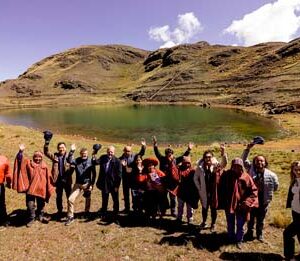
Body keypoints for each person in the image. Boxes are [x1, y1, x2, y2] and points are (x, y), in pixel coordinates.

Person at [242, 142, 279, 242]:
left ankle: (259, 234)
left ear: (265, 163)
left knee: (261, 219)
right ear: (254, 162)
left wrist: (268, 194)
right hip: (252, 198)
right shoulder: (250, 170)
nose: (259, 163)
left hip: (264, 199)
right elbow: (243, 160)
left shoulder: (272, 175)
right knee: (251, 218)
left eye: (262, 161)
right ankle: (249, 232)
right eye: (257, 161)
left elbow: (275, 187)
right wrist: (247, 149)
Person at [218, 158, 258, 249]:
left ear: (242, 167)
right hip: (229, 204)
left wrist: (247, 202)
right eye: (234, 166)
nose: (236, 168)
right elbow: (219, 183)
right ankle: (231, 237)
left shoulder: (246, 177)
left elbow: (254, 191)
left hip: (241, 206)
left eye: (238, 166)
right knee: (230, 222)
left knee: (240, 224)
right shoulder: (227, 175)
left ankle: (239, 240)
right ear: (232, 166)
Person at [13, 144, 54, 227]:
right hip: (31, 189)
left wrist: (48, 187)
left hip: (41, 189)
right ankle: (32, 217)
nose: (37, 159)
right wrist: (20, 152)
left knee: (41, 204)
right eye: (36, 157)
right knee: (30, 204)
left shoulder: (44, 166)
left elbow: (48, 177)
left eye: (39, 157)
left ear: (42, 158)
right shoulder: (29, 163)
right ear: (33, 157)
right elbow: (20, 161)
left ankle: (40, 216)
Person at [153, 136, 193, 217]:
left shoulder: (175, 160)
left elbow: (183, 156)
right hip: (163, 180)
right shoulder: (162, 159)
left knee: (173, 198)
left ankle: (173, 211)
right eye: (167, 154)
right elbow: (157, 153)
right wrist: (155, 144)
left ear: (172, 154)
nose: (169, 156)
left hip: (172, 182)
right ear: (165, 154)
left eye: (170, 154)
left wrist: (189, 149)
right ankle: (162, 210)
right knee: (163, 196)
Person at [194, 145, 227, 232]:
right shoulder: (200, 167)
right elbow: (195, 178)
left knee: (213, 209)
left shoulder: (216, 165)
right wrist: (199, 188)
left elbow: (224, 164)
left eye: (209, 157)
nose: (207, 159)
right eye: (206, 157)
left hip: (213, 192)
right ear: (203, 158)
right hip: (204, 191)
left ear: (212, 157)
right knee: (204, 208)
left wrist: (223, 152)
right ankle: (204, 222)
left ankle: (213, 224)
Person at [43, 130, 74, 220]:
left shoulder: (69, 156)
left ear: (65, 148)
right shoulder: (55, 156)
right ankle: (59, 211)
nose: (61, 149)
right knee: (59, 197)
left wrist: (72, 151)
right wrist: (47, 142)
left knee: (69, 196)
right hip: (58, 180)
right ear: (58, 148)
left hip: (67, 180)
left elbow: (72, 166)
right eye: (59, 147)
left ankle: (69, 212)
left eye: (63, 147)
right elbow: (46, 152)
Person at [65, 145, 96, 226]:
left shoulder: (91, 161)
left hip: (87, 183)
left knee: (88, 198)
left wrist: (92, 184)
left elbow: (94, 174)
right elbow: (68, 160)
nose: (84, 155)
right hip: (78, 184)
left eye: (85, 153)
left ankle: (86, 212)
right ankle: (70, 216)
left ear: (87, 153)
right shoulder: (76, 160)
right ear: (80, 154)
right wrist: (71, 151)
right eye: (82, 153)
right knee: (70, 199)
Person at [94, 146, 122, 221]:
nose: (110, 153)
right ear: (107, 152)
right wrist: (94, 154)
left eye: (112, 152)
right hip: (104, 183)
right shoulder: (103, 157)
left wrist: (117, 186)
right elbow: (96, 162)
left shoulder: (117, 161)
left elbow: (119, 175)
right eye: (109, 151)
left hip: (113, 184)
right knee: (104, 198)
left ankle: (115, 213)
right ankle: (104, 212)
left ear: (114, 152)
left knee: (115, 199)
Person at [168, 156, 199, 224]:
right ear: (182, 163)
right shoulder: (179, 169)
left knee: (189, 207)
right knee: (180, 206)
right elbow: (174, 173)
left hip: (189, 192)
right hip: (181, 191)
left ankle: (190, 218)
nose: (186, 164)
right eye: (185, 163)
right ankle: (179, 218)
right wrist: (172, 163)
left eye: (188, 163)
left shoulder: (192, 171)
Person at [119, 139, 146, 214]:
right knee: (126, 195)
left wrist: (143, 146)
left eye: (129, 151)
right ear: (123, 151)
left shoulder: (134, 156)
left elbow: (141, 153)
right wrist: (123, 166)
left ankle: (135, 208)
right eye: (126, 151)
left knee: (134, 195)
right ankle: (127, 208)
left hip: (133, 179)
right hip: (125, 179)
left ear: (131, 151)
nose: (128, 152)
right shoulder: (120, 159)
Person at [283, 161, 300, 260]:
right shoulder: (294, 181)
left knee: (287, 233)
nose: (298, 171)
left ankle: (289, 257)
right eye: (295, 169)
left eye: (299, 169)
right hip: (295, 211)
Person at [0, 153, 12, 227]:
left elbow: (8, 175)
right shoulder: (4, 159)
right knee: (1, 203)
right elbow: (8, 175)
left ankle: (4, 220)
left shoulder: (3, 159)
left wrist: (8, 182)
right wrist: (8, 183)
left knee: (1, 202)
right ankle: (4, 220)